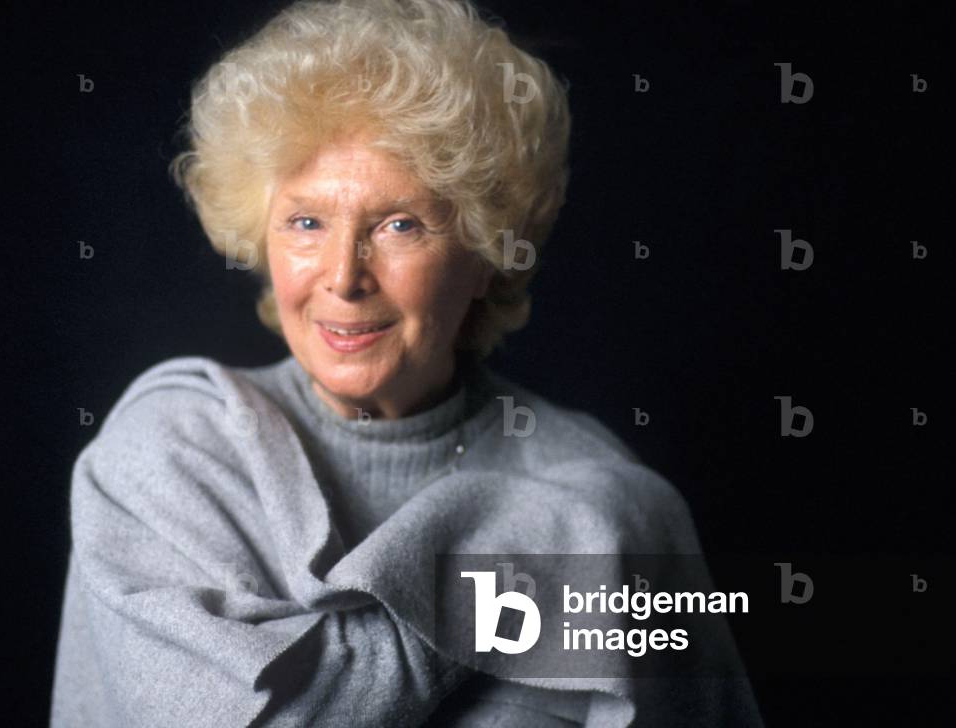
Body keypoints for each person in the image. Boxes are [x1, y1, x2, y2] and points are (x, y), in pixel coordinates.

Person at [49, 0, 763, 725]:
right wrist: (516, 564)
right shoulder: (175, 451)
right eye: (305, 222)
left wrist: (607, 522)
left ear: (487, 253)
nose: (343, 276)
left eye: (399, 224)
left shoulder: (606, 494)